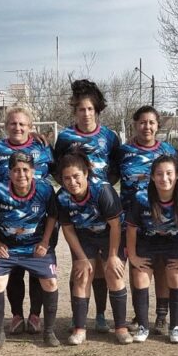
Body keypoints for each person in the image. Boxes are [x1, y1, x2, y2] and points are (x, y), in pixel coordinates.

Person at [54, 79, 120, 333]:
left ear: (97, 110)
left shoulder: (109, 137)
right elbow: (58, 168)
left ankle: (101, 315)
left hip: (102, 208)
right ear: (75, 111)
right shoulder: (66, 137)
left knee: (102, 268)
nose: (86, 113)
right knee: (81, 267)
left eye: (90, 109)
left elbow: (116, 168)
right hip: (78, 210)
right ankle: (77, 317)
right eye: (81, 109)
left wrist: (100, 190)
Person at [0, 107, 54, 336]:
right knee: (13, 271)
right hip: (9, 219)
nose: (18, 128)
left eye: (22, 124)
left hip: (38, 220)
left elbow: (59, 170)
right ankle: (16, 315)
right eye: (13, 123)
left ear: (30, 127)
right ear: (6, 126)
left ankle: (35, 315)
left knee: (38, 269)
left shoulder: (42, 147)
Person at [0, 151, 59, 348]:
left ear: (33, 171)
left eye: (25, 170)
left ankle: (49, 332)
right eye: (16, 170)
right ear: (9, 172)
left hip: (36, 246)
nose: (21, 174)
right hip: (9, 248)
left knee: (50, 282)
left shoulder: (45, 189)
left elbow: (52, 216)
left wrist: (45, 242)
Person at [110, 105, 177, 334]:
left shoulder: (168, 150)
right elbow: (109, 176)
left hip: (162, 219)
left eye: (151, 122)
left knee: (161, 267)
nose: (146, 126)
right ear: (135, 125)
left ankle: (161, 316)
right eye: (142, 122)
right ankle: (140, 316)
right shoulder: (124, 151)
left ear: (157, 125)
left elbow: (177, 181)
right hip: (132, 219)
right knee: (137, 265)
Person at [55, 151, 132, 345]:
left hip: (110, 235)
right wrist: (81, 258)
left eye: (76, 176)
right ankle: (80, 329)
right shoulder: (62, 196)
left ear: (86, 174)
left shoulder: (102, 190)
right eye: (66, 178)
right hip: (84, 237)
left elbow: (116, 226)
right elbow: (68, 229)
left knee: (113, 274)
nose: (72, 182)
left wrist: (113, 256)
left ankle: (121, 328)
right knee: (82, 275)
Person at [126, 155, 178, 344]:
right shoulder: (141, 198)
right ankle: (143, 326)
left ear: (177, 175)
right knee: (140, 277)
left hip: (174, 243)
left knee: (175, 277)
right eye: (159, 174)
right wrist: (133, 256)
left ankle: (175, 327)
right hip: (147, 243)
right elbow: (131, 229)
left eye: (169, 173)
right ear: (152, 176)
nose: (164, 178)